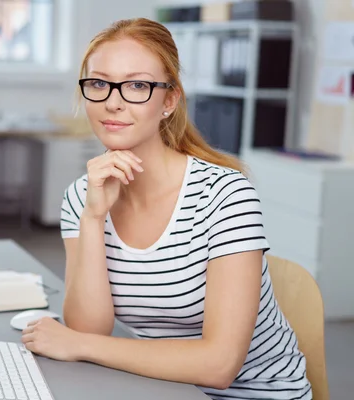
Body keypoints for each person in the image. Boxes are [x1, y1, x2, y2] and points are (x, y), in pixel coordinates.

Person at [20, 17, 312, 400]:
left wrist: (78, 345)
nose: (113, 100)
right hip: (159, 388)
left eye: (138, 85)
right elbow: (88, 328)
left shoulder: (224, 195)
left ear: (169, 100)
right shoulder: (83, 196)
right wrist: (92, 218)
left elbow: (219, 366)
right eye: (98, 83)